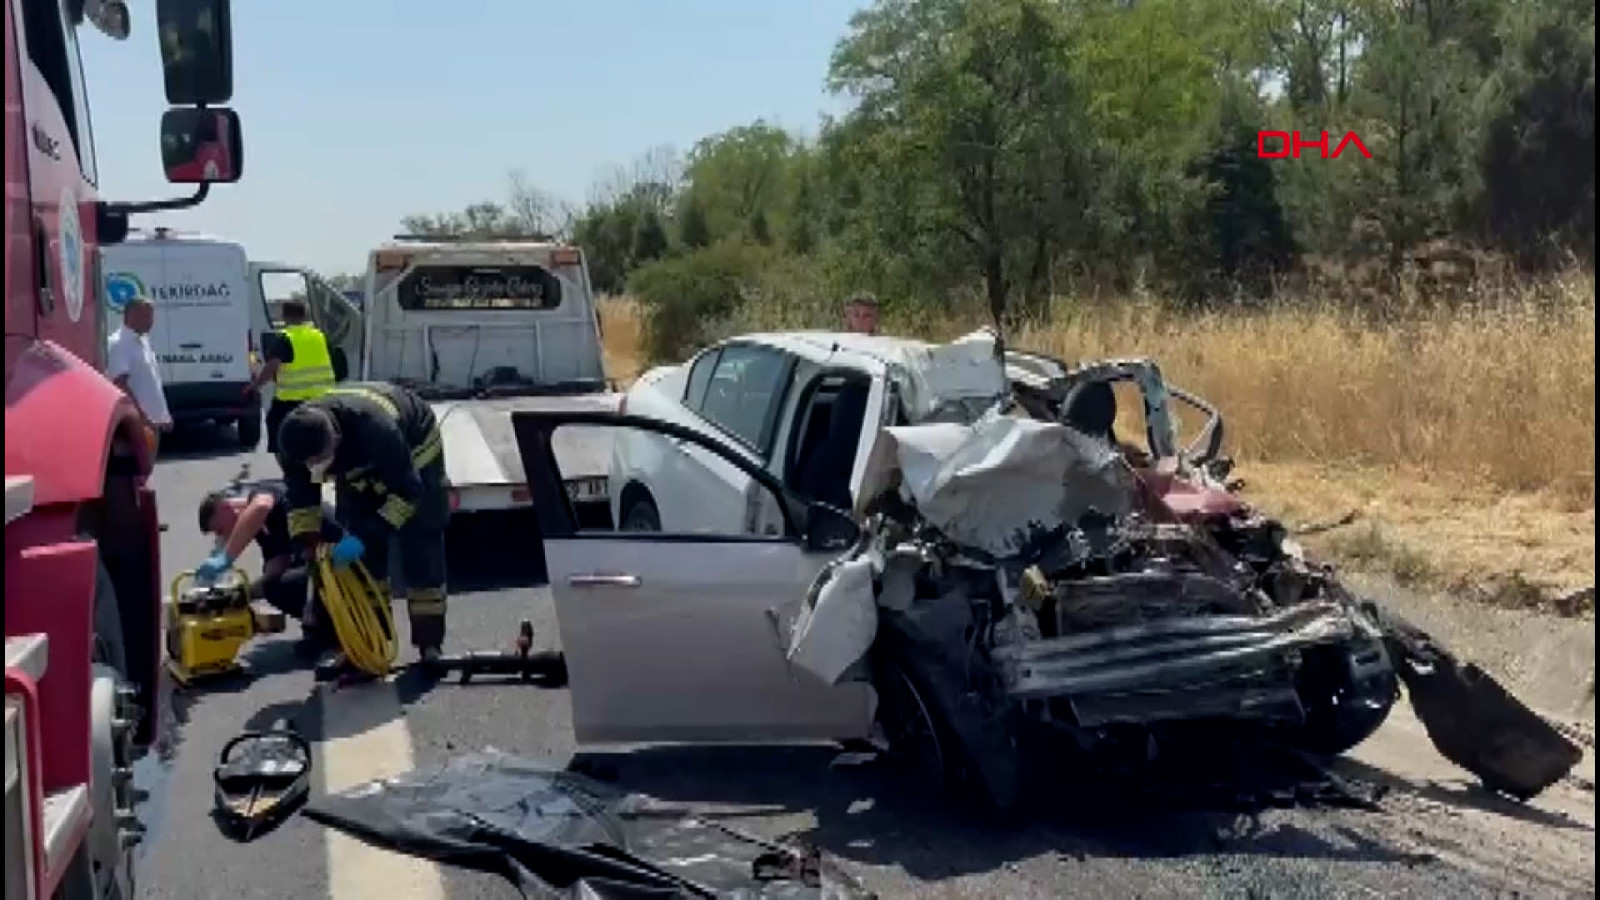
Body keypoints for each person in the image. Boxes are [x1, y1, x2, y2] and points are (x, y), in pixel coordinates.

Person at [275, 383, 451, 666]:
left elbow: (408, 492)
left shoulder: (377, 430)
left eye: (319, 460)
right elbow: (300, 499)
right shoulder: (294, 442)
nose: (314, 466)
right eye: (309, 462)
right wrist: (307, 544)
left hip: (414, 449)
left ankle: (429, 644)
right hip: (356, 462)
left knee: (420, 542)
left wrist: (366, 536)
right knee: (362, 559)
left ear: (335, 437)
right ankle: (371, 642)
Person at [194, 480, 345, 659]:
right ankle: (332, 629)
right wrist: (242, 594)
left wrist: (226, 557)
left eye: (220, 530)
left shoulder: (260, 494)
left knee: (292, 581)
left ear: (226, 507)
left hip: (346, 550)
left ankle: (332, 629)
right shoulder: (265, 531)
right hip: (326, 559)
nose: (222, 537)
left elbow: (260, 507)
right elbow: (277, 568)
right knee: (276, 587)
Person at [248, 299, 336, 453]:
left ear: (284, 316)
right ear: (304, 315)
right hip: (323, 398)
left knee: (274, 423)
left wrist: (255, 386)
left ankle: (286, 461)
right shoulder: (319, 335)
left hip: (292, 401)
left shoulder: (286, 338)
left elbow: (271, 367)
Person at [106, 296, 172, 453]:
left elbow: (151, 380)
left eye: (151, 317)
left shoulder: (142, 341)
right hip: (138, 425)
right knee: (136, 472)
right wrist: (142, 417)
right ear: (132, 315)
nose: (151, 322)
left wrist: (164, 414)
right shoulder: (119, 343)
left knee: (147, 470)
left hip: (152, 424)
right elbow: (119, 384)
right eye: (147, 316)